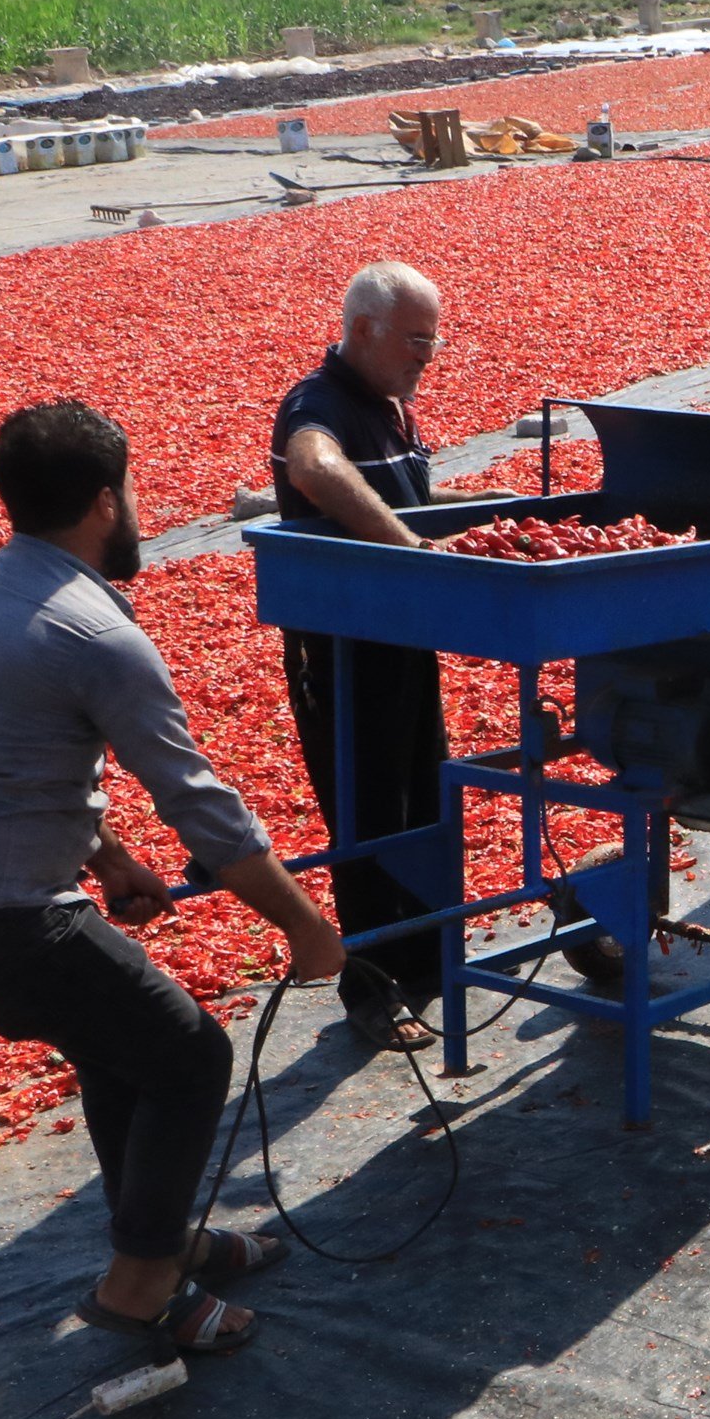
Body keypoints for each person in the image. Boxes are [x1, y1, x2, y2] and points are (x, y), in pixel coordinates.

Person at [0, 400, 349, 1354]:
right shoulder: (94, 633)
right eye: (130, 492)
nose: (137, 509)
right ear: (100, 503)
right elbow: (202, 808)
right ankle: (140, 1286)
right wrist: (307, 929)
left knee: (119, 1042)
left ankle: (161, 1238)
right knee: (190, 1053)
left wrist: (105, 855)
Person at [269, 260, 499, 1047]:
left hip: (404, 633)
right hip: (343, 646)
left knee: (423, 797)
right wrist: (414, 554)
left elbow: (412, 497)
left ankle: (430, 960)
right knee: (364, 813)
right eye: (415, 340)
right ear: (362, 330)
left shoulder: (392, 407)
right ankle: (369, 988)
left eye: (433, 342)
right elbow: (315, 468)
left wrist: (504, 511)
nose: (426, 357)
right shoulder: (320, 403)